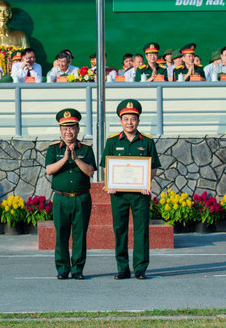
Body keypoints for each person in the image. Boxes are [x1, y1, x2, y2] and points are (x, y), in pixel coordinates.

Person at [100, 100, 160, 280]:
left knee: (141, 230)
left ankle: (140, 268)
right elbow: (106, 166)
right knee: (120, 229)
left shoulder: (147, 141)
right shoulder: (112, 141)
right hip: (118, 194)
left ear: (138, 121)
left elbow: (154, 167)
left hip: (140, 195)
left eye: (133, 119)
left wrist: (145, 184)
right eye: (125, 119)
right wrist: (110, 183)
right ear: (120, 121)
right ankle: (122, 268)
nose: (129, 123)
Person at [45, 108, 96, 280]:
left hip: (81, 198)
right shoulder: (54, 149)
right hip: (61, 198)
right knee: (61, 234)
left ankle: (78, 269)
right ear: (60, 130)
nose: (68, 131)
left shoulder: (86, 149)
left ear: (78, 129)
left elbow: (90, 172)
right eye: (65, 128)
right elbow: (49, 170)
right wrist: (64, 159)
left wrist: (76, 159)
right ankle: (62, 268)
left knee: (80, 235)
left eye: (72, 127)